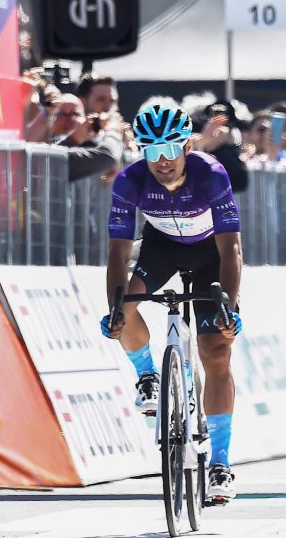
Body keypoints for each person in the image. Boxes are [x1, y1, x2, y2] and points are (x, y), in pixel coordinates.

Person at [100, 102, 244, 503]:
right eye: (151, 151)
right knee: (123, 304)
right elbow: (117, 253)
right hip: (162, 249)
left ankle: (220, 462)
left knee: (216, 350)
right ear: (140, 151)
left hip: (211, 257)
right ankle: (146, 373)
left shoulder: (211, 174)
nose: (162, 161)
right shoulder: (129, 181)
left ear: (186, 146)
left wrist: (227, 307)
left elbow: (231, 248)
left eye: (170, 150)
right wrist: (116, 306)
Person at [50, 93, 126, 182]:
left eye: (76, 114)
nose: (72, 118)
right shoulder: (41, 148)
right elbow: (107, 156)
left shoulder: (93, 144)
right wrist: (114, 130)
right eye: (65, 113)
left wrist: (74, 139)